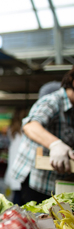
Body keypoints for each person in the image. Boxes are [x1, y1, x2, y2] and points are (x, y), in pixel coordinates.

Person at [11, 67, 74, 204]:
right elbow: (30, 126)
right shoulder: (52, 101)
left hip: (59, 185)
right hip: (37, 184)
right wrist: (55, 144)